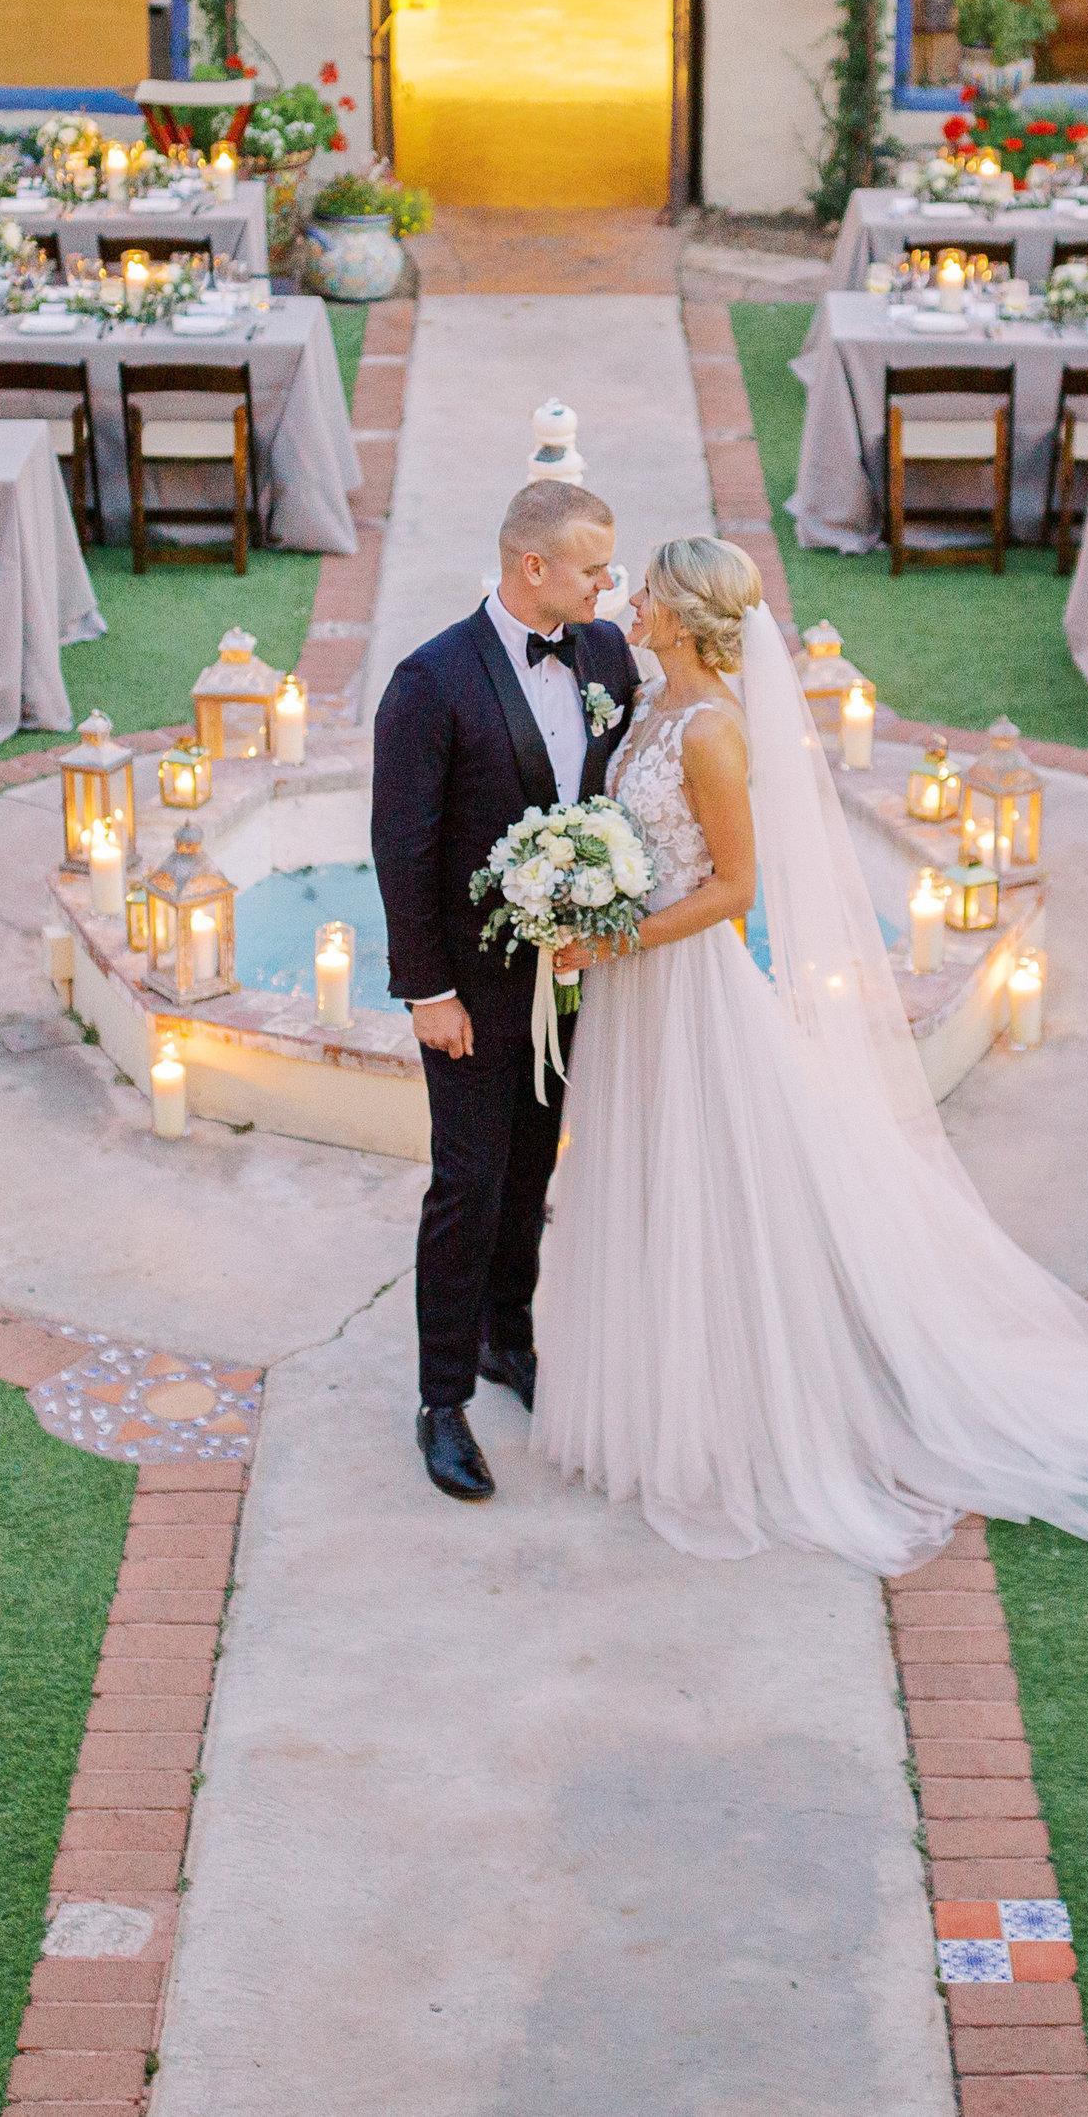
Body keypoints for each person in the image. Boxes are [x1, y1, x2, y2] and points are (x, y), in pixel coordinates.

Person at [533, 535, 1088, 1581]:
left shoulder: (714, 732)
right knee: (643, 1176)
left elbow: (736, 888)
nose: (631, 599)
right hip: (635, 988)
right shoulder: (649, 702)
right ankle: (655, 1394)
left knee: (711, 1185)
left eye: (647, 588)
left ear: (686, 616)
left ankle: (730, 1411)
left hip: (686, 988)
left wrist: (616, 939)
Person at [367, 478, 644, 1504]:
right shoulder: (429, 681)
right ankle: (441, 1402)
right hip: (471, 993)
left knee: (531, 1171)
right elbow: (402, 848)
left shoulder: (605, 654)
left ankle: (507, 1339)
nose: (607, 585)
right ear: (535, 567)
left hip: (569, 979)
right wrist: (427, 991)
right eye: (592, 569)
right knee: (468, 1184)